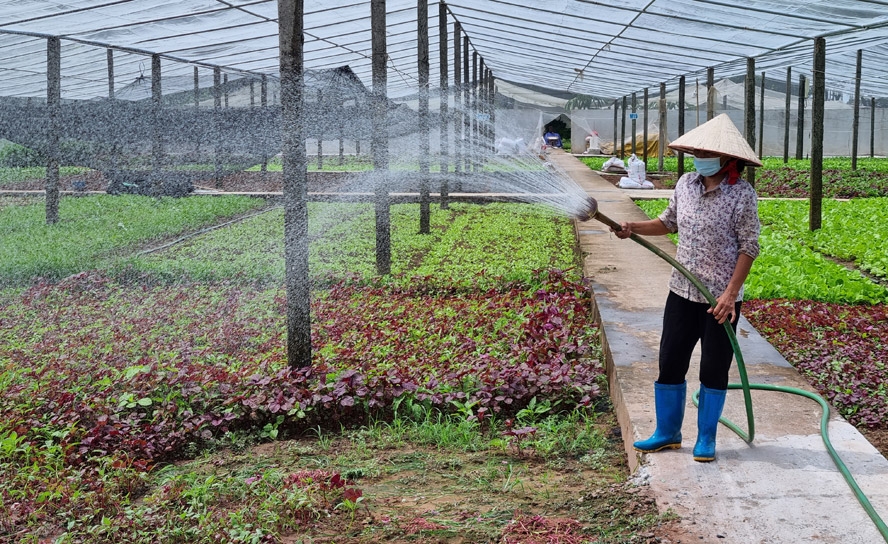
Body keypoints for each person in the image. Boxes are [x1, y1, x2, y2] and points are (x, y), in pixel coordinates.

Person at [611, 114, 761, 462]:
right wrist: (632, 226)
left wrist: (729, 295)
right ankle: (668, 433)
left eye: (704, 151)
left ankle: (706, 438)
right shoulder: (686, 184)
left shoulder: (742, 195)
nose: (697, 156)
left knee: (713, 366)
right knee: (670, 360)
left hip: (718, 301)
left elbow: (748, 247)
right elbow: (667, 222)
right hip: (681, 290)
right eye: (695, 150)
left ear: (727, 158)